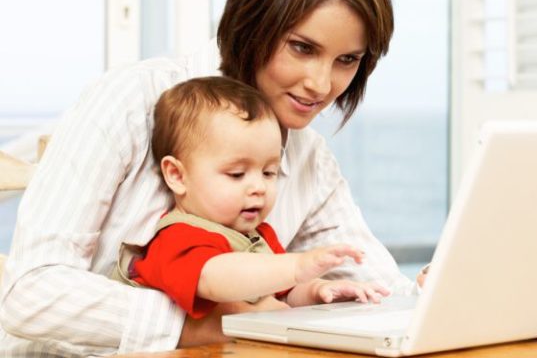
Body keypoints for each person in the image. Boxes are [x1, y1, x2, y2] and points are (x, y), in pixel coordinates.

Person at [0, 0, 419, 356]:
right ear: (252, 20)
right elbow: (30, 293)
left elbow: (371, 283)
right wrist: (202, 325)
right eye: (302, 48)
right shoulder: (130, 101)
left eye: (347, 60)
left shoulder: (309, 158)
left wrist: (422, 297)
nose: (321, 84)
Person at [121, 76, 388, 318]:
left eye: (269, 173)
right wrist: (296, 265)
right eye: (237, 174)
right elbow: (215, 278)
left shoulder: (260, 236)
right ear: (177, 176)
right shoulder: (177, 239)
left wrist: (320, 290)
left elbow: (283, 295)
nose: (258, 187)